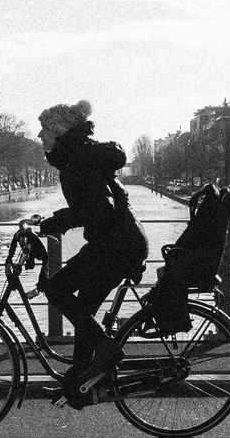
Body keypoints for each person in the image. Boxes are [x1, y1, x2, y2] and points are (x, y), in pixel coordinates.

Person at [35, 100, 148, 409]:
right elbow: (93, 207)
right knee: (83, 310)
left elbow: (95, 209)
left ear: (59, 131)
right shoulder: (80, 155)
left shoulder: (78, 159)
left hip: (116, 244)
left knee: (55, 289)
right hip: (117, 241)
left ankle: (107, 349)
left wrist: (54, 223)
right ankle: (78, 383)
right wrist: (53, 222)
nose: (40, 134)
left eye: (45, 127)